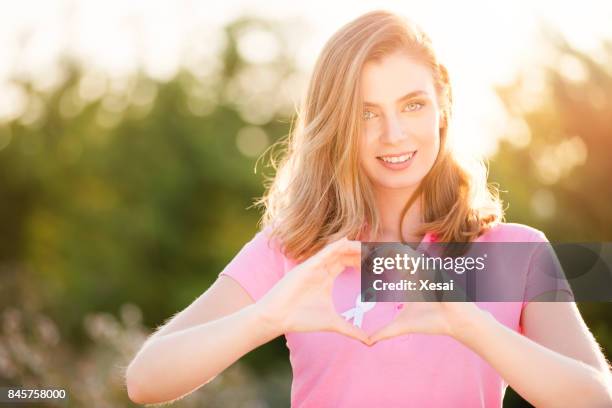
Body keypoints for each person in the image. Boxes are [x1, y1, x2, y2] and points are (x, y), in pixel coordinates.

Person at [125, 10, 612, 407]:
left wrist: (468, 323)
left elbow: (595, 397)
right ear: (337, 125)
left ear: (444, 104)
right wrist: (265, 319)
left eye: (413, 105)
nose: (394, 134)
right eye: (366, 113)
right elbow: (145, 380)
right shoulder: (298, 251)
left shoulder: (515, 253)